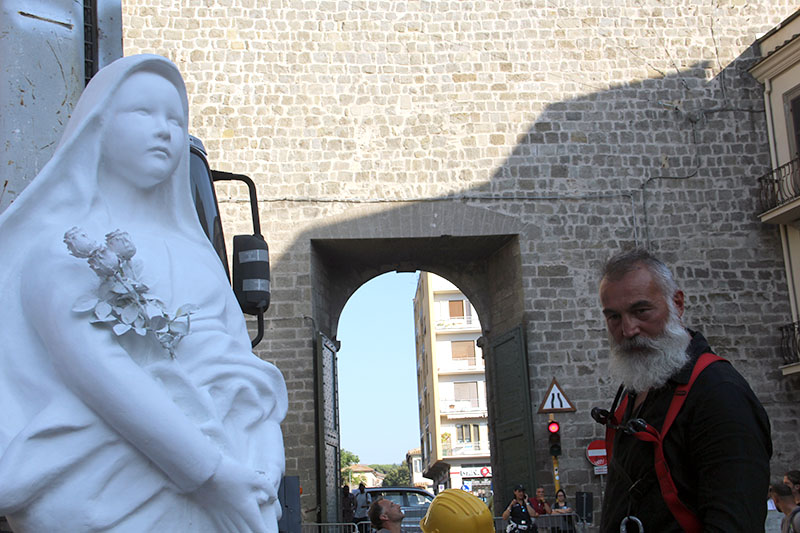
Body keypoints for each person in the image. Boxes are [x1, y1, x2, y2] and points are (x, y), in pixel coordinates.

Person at [0, 54, 288, 532]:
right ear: (98, 126)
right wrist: (210, 475)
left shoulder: (199, 256)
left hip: (232, 478)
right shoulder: (67, 247)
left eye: (175, 119)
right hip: (107, 486)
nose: (164, 131)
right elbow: (100, 373)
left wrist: (263, 467)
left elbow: (245, 372)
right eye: (143, 113)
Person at [595, 248, 772, 532]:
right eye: (614, 317)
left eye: (641, 311)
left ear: (677, 304)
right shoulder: (639, 386)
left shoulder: (720, 394)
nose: (628, 330)